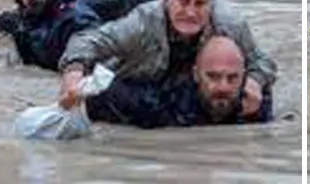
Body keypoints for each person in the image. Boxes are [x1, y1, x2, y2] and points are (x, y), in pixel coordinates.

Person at [57, 0, 277, 120]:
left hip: (194, 90)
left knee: (259, 101)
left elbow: (262, 62)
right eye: (183, 2)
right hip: (143, 86)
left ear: (211, 5)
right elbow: (87, 40)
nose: (190, 12)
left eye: (200, 4)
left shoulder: (231, 24)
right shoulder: (142, 22)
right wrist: (73, 74)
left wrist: (255, 81)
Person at [85, 36, 273, 128]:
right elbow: (102, 94)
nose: (223, 87)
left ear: (244, 76)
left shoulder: (256, 103)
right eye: (213, 77)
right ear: (196, 75)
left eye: (232, 78)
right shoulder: (161, 104)